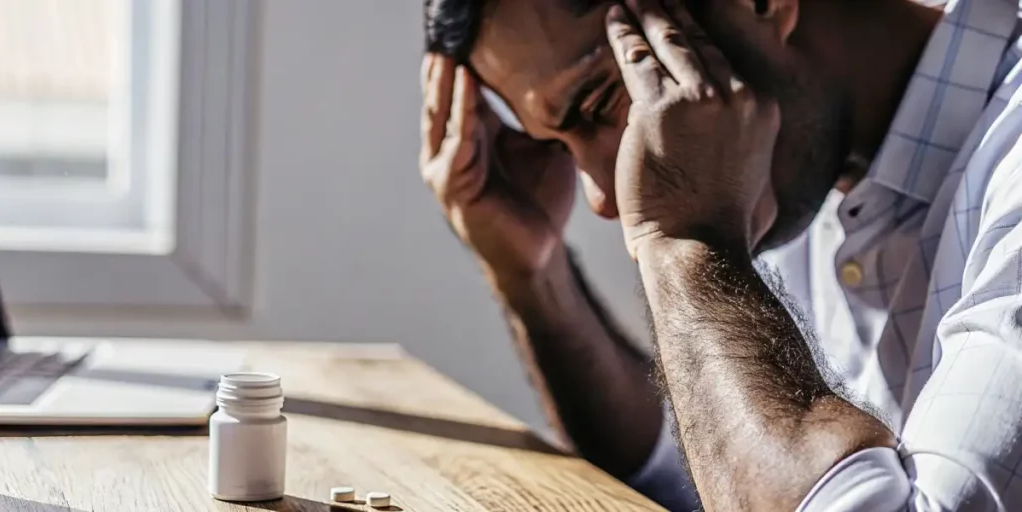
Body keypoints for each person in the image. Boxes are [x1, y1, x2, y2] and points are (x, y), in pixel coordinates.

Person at [421, 0, 1022, 509]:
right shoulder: (789, 156)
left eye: (599, 100)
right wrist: (535, 277)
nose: (602, 199)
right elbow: (710, 479)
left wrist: (683, 240)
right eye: (552, 141)